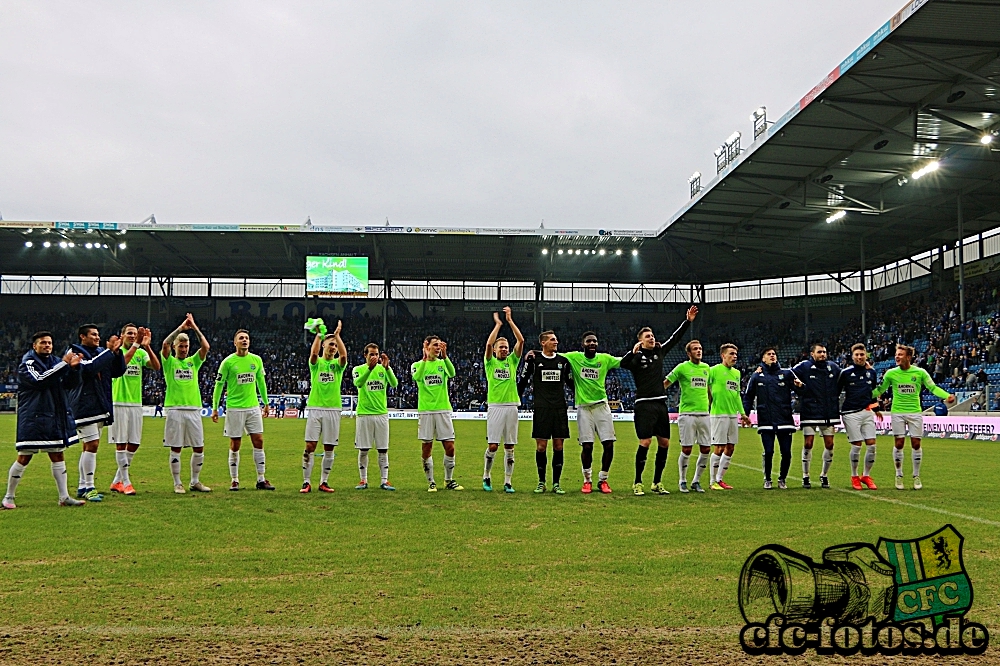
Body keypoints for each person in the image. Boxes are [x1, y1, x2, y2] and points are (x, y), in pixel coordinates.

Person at [619, 306, 698, 496]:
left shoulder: (659, 352)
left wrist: (687, 321)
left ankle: (657, 482)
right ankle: (638, 482)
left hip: (660, 404)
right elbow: (623, 364)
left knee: (664, 443)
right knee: (645, 442)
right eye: (647, 337)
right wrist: (633, 352)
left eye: (652, 335)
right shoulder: (636, 359)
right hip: (644, 404)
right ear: (640, 341)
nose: (652, 338)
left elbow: (675, 339)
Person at [3, 331, 85, 509]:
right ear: (35, 346)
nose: (47, 345)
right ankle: (8, 497)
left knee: (57, 454)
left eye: (49, 343)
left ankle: (64, 497)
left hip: (53, 415)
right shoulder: (28, 363)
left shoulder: (55, 361)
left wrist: (73, 369)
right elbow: (40, 380)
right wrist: (64, 363)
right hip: (33, 416)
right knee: (24, 456)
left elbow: (68, 385)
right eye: (43, 343)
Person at [875, 344, 956, 490]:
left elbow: (933, 387)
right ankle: (899, 475)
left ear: (908, 357)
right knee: (899, 444)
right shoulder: (890, 373)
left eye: (900, 354)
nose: (897, 357)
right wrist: (862, 395)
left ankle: (916, 476)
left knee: (916, 444)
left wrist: (946, 396)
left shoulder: (920, 372)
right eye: (896, 354)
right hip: (898, 412)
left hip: (915, 412)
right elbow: (881, 390)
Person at [68, 323, 126, 501]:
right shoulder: (75, 352)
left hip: (100, 404)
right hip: (84, 405)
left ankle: (82, 486)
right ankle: (90, 487)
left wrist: (117, 353)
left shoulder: (100, 352)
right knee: (92, 445)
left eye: (98, 334)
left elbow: (118, 371)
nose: (97, 337)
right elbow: (89, 369)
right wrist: (108, 352)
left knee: (88, 446)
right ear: (82, 337)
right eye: (93, 334)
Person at [212, 329, 273, 491]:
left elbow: (261, 382)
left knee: (259, 440)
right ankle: (234, 480)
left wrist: (266, 403)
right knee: (235, 444)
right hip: (235, 408)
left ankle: (261, 479)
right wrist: (215, 407)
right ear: (235, 342)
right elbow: (219, 385)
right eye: (241, 338)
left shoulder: (256, 360)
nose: (244, 340)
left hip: (253, 407)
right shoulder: (228, 362)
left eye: (246, 338)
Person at [563, 332, 622, 494]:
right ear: (583, 344)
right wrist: (535, 353)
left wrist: (638, 350)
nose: (592, 343)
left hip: (602, 406)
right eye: (589, 341)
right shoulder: (574, 357)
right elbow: (553, 355)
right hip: (584, 408)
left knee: (608, 444)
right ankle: (587, 480)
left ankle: (603, 480)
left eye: (595, 341)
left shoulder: (604, 359)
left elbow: (624, 361)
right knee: (587, 446)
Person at [518, 331, 573, 495]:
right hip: (542, 408)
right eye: (552, 339)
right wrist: (516, 399)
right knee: (541, 447)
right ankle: (541, 481)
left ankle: (556, 483)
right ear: (543, 343)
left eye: (556, 339)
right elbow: (523, 381)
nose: (556, 342)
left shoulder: (563, 362)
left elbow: (571, 384)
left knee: (558, 446)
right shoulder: (534, 360)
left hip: (559, 408)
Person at [161, 314, 212, 493]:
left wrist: (195, 327)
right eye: (180, 346)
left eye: (186, 346)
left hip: (193, 409)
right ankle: (177, 483)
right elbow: (165, 345)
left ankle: (195, 481)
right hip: (175, 409)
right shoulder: (169, 362)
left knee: (199, 447)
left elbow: (206, 346)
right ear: (176, 347)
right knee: (176, 448)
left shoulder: (193, 362)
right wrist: (180, 329)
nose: (183, 349)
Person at [109, 323, 161, 496]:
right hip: (119, 402)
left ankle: (117, 481)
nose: (132, 336)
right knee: (121, 443)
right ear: (122, 335)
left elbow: (156, 366)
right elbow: (122, 365)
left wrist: (146, 346)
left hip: (136, 403)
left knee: (134, 443)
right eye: (129, 333)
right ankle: (126, 482)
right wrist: (137, 344)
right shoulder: (116, 353)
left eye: (134, 334)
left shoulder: (140, 352)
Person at [742, 347, 800, 490]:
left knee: (786, 453)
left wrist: (800, 386)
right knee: (769, 452)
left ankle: (782, 479)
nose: (772, 356)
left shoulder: (786, 373)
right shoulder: (756, 376)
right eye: (769, 354)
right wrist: (746, 415)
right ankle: (767, 479)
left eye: (774, 354)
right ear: (763, 358)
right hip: (766, 419)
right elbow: (748, 397)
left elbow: (801, 390)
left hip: (785, 419)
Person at [482, 307, 524, 493]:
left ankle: (508, 481)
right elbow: (488, 346)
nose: (504, 349)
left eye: (506, 347)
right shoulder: (490, 363)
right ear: (496, 350)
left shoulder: (513, 362)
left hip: (512, 406)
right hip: (495, 406)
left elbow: (521, 340)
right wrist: (498, 325)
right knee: (493, 445)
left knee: (510, 447)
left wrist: (510, 321)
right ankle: (486, 476)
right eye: (502, 347)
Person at [301, 320, 347, 494]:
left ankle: (324, 482)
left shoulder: (337, 366)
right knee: (310, 446)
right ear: (323, 346)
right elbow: (313, 353)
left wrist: (337, 336)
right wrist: (320, 335)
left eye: (335, 345)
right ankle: (306, 482)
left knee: (329, 447)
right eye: (330, 344)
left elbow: (344, 356)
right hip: (315, 408)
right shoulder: (317, 363)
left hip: (333, 409)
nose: (333, 347)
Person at [412, 335, 462, 492]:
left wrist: (446, 357)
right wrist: (425, 358)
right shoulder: (417, 365)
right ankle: (431, 481)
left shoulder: (443, 363)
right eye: (435, 345)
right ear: (426, 346)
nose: (438, 348)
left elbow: (452, 373)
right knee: (427, 447)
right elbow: (417, 376)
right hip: (426, 411)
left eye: (439, 345)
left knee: (450, 447)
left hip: (443, 409)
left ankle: (449, 480)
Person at [791, 344, 841, 489]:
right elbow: (789, 375)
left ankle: (824, 475)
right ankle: (805, 476)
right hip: (810, 410)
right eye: (819, 352)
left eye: (824, 352)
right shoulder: (804, 367)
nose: (823, 354)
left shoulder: (833, 367)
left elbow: (844, 379)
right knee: (808, 443)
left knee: (830, 445)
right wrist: (799, 389)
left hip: (828, 412)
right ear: (812, 354)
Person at [664, 340, 711, 493]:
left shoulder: (706, 368)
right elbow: (666, 383)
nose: (699, 351)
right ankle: (682, 480)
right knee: (687, 448)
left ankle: (696, 481)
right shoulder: (682, 367)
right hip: (687, 414)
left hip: (704, 414)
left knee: (705, 448)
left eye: (700, 348)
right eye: (695, 349)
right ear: (689, 353)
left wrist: (711, 404)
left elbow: (709, 390)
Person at [353, 343, 398, 490]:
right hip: (364, 414)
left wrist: (387, 368)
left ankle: (384, 481)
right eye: (371, 354)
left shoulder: (383, 369)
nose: (374, 357)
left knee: (383, 449)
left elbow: (394, 383)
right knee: (364, 449)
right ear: (365, 355)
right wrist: (369, 369)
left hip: (381, 414)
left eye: (376, 354)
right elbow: (358, 383)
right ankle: (363, 480)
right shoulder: (358, 369)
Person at [707, 343, 751, 490]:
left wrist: (743, 414)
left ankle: (720, 479)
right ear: (723, 355)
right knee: (719, 447)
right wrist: (707, 403)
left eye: (736, 354)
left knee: (730, 447)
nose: (734, 356)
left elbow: (737, 395)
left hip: (732, 415)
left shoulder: (737, 373)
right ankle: (712, 481)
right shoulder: (713, 370)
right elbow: (705, 388)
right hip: (718, 414)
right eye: (731, 354)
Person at [838, 343, 881, 491]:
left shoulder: (872, 373)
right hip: (850, 413)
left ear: (866, 356)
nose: (859, 357)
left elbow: (872, 393)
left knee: (872, 445)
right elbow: (836, 392)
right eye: (856, 355)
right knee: (857, 445)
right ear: (852, 356)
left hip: (867, 412)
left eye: (862, 354)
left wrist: (876, 409)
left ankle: (866, 476)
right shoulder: (845, 373)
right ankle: (854, 476)